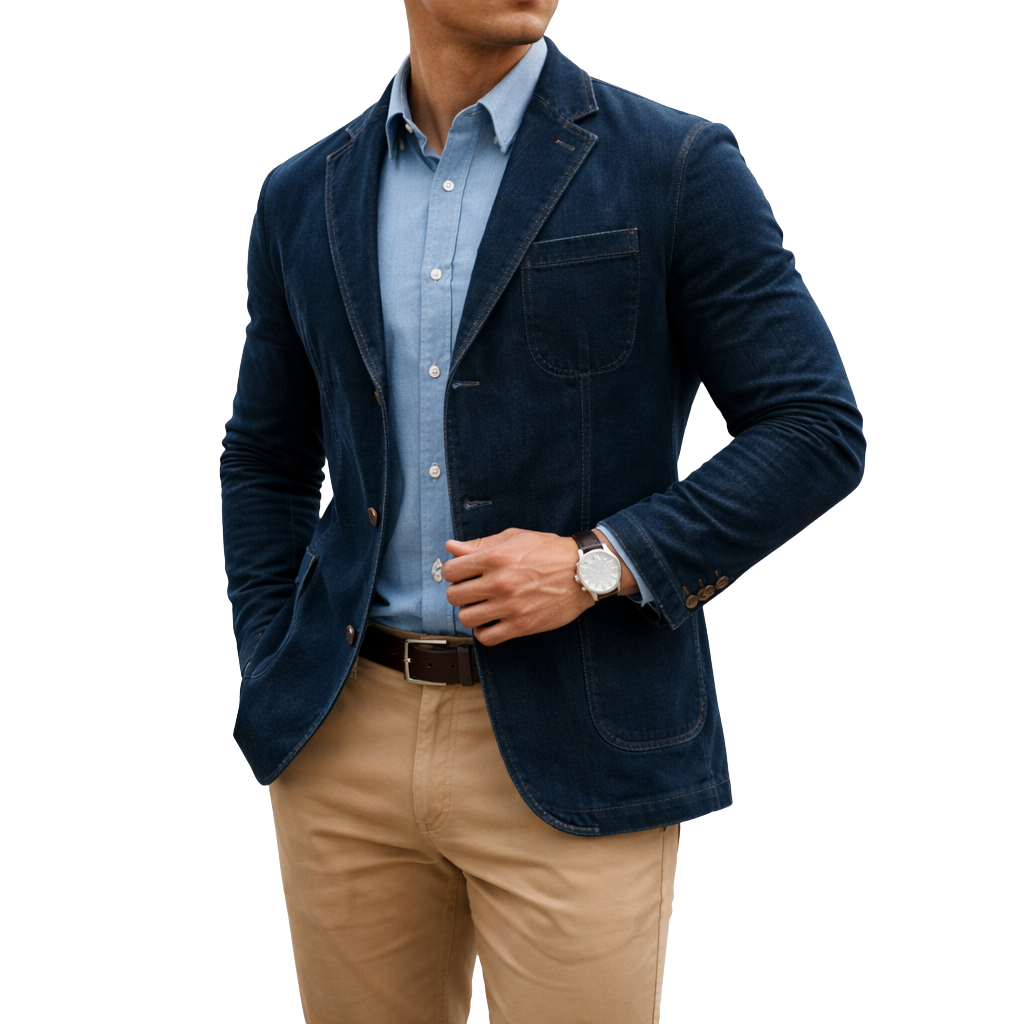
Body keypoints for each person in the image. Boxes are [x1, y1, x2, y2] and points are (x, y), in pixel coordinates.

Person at [220, 1, 865, 1020]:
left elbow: (813, 428)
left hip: (582, 736)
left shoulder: (673, 164)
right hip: (342, 739)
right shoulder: (306, 191)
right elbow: (266, 456)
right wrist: (272, 654)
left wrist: (597, 563)